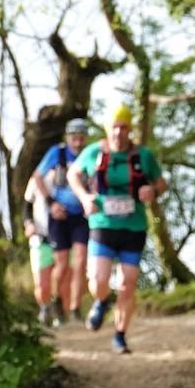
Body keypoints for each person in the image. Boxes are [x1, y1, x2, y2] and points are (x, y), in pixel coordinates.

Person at [67, 104, 167, 354]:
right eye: (114, 127)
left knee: (128, 283)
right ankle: (102, 300)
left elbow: (161, 183)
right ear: (107, 129)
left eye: (123, 127)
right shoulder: (93, 152)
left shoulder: (143, 155)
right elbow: (73, 174)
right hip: (103, 223)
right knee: (99, 280)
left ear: (129, 129)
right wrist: (84, 198)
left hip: (134, 227)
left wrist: (152, 191)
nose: (119, 132)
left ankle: (120, 335)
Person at [29, 118, 91, 325]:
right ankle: (55, 302)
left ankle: (74, 309)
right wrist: (51, 202)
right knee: (62, 265)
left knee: (81, 259)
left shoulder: (90, 155)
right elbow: (38, 176)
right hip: (59, 216)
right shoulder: (58, 152)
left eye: (82, 137)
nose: (78, 141)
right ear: (68, 137)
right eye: (74, 137)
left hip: (81, 216)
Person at [22, 177, 57, 324]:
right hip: (39, 240)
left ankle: (61, 314)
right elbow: (26, 206)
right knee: (42, 285)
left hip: (64, 240)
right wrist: (28, 224)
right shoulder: (36, 179)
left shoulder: (72, 172)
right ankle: (45, 309)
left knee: (61, 281)